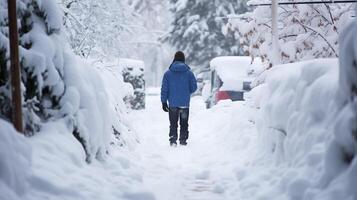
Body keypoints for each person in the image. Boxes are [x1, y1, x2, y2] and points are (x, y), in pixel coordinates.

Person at [161, 51, 197, 146]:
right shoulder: (189, 73)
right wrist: (186, 92)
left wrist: (164, 102)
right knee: (184, 123)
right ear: (183, 60)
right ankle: (183, 140)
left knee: (173, 123)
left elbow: (164, 89)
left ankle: (173, 140)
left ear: (174, 59)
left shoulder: (167, 74)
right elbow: (194, 87)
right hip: (184, 104)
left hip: (172, 104)